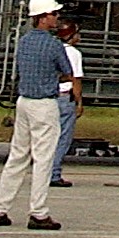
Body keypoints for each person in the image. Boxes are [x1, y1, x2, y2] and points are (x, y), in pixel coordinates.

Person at [0, 0, 73, 230]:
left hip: (24, 101)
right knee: (43, 159)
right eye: (54, 14)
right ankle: (38, 212)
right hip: (44, 104)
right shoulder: (53, 44)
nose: (57, 18)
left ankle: (0, 207)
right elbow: (66, 70)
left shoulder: (24, 41)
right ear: (43, 18)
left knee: (17, 156)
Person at [48, 14, 84, 188]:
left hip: (49, 97)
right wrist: (79, 102)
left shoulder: (52, 49)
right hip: (64, 97)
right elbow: (76, 80)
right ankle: (54, 174)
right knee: (63, 138)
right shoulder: (74, 54)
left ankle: (44, 171)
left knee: (48, 137)